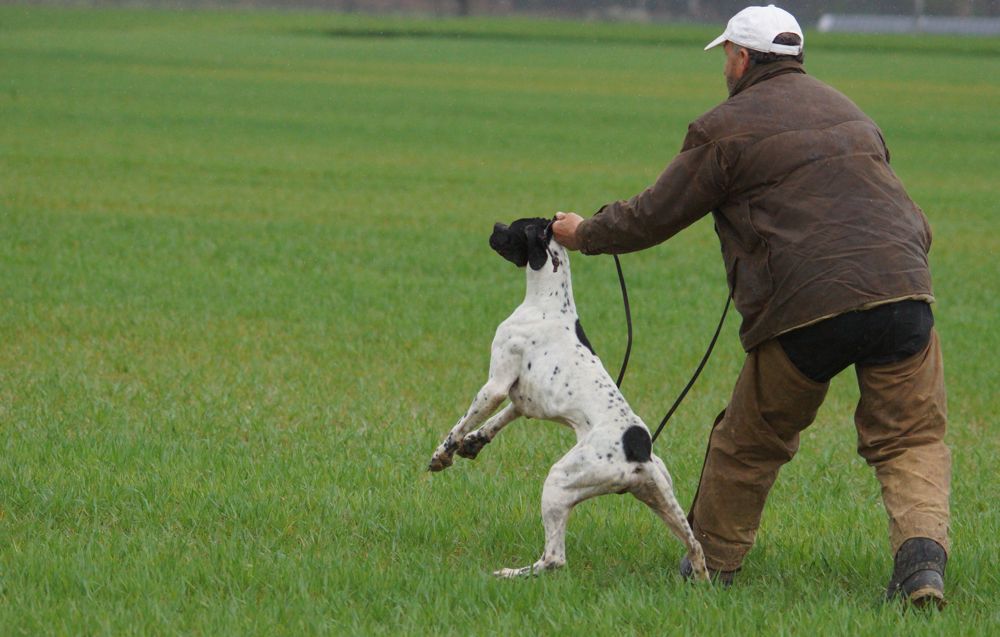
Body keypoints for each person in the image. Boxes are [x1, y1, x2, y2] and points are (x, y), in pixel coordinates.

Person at [551, 4, 950, 608]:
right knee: (911, 439)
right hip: (905, 295)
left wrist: (585, 233)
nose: (724, 69)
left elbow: (654, 214)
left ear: (741, 58)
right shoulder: (855, 117)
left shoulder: (722, 129)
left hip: (807, 308)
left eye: (726, 57)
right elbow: (907, 217)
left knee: (749, 441)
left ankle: (710, 567)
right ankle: (922, 569)